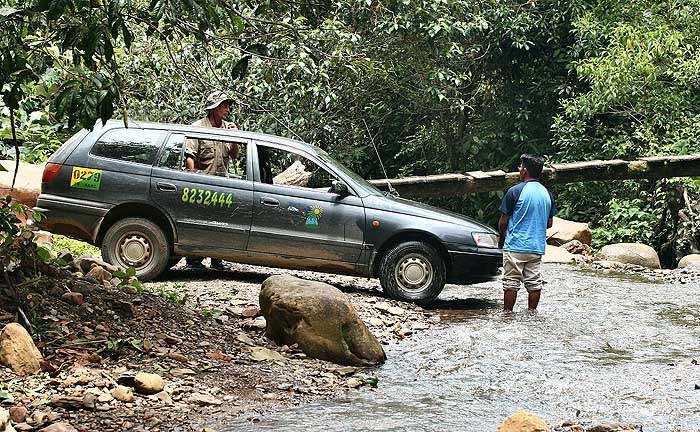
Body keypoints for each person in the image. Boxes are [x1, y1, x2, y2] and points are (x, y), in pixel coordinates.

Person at [184, 90, 239, 270]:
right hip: (202, 186)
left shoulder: (228, 128)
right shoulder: (198, 127)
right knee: (198, 223)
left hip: (222, 186)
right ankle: (193, 260)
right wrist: (193, 182)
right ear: (214, 108)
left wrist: (235, 138)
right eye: (224, 105)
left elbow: (234, 155)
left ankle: (217, 258)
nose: (227, 109)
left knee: (220, 224)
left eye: (228, 105)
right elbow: (189, 156)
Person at [497, 154, 557, 313]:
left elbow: (503, 222)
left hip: (515, 245)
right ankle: (532, 313)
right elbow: (549, 223)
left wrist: (502, 239)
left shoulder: (515, 191)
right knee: (534, 283)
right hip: (536, 247)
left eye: (520, 166)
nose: (518, 169)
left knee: (511, 283)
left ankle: (508, 314)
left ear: (524, 170)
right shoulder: (547, 194)